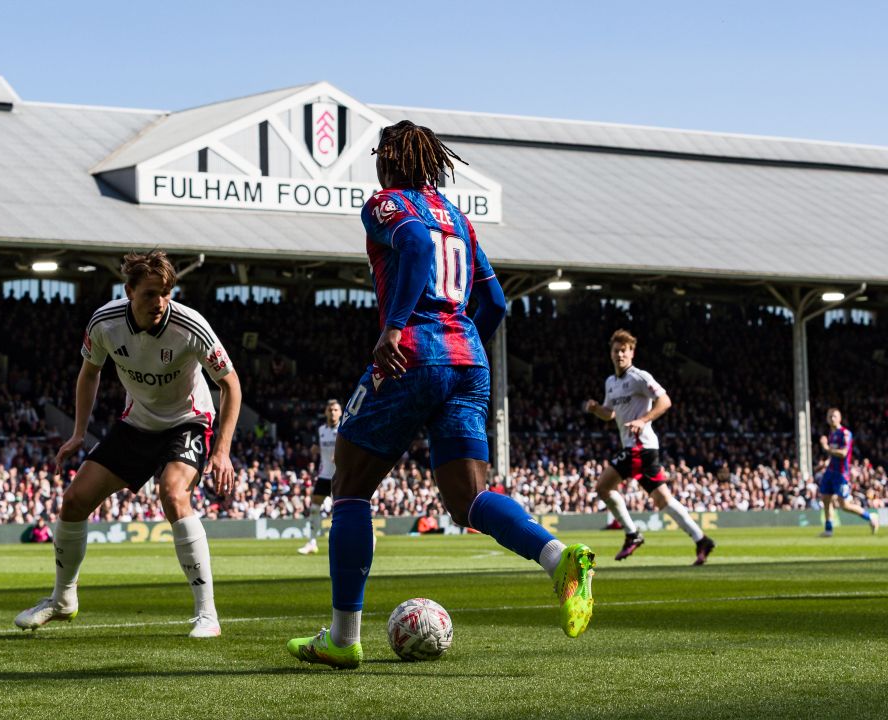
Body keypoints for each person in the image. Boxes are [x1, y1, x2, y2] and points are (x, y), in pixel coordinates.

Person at [287, 121, 596, 670]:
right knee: (467, 501)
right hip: (468, 361)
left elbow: (411, 243)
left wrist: (395, 327)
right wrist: (459, 348)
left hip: (412, 352)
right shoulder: (458, 218)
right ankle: (557, 557)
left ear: (390, 158)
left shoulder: (386, 204)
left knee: (350, 488)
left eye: (379, 153)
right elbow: (495, 303)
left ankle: (342, 638)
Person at [14, 250, 241, 639]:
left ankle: (207, 614)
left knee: (173, 494)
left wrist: (222, 451)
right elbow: (90, 373)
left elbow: (230, 384)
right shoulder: (104, 323)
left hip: (187, 422)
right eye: (151, 293)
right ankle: (63, 599)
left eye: (166, 293)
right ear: (129, 291)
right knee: (74, 500)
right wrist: (79, 433)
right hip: (137, 423)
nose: (160, 302)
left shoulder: (191, 325)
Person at [585, 329, 716, 565]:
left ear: (632, 353)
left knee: (603, 487)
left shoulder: (639, 377)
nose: (620, 355)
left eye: (624, 351)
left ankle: (632, 534)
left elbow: (665, 401)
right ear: (611, 353)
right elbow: (610, 413)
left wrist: (643, 420)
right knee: (662, 499)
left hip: (640, 447)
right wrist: (596, 409)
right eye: (616, 351)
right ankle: (701, 539)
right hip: (636, 448)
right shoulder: (611, 382)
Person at [816, 407, 879, 536]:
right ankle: (828, 530)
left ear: (840, 418)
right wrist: (826, 462)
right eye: (829, 416)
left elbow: (844, 453)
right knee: (826, 499)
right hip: (830, 471)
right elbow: (833, 454)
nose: (832, 418)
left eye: (834, 416)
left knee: (844, 505)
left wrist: (826, 448)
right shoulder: (831, 434)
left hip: (841, 474)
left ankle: (870, 517)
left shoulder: (845, 433)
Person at [298, 399, 341, 555]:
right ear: (325, 412)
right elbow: (316, 447)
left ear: (340, 412)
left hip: (340, 476)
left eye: (335, 410)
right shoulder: (321, 430)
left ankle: (348, 541)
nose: (332, 413)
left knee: (342, 510)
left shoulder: (344, 429)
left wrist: (340, 455)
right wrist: (314, 450)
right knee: (315, 508)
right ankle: (312, 543)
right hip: (324, 475)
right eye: (330, 410)